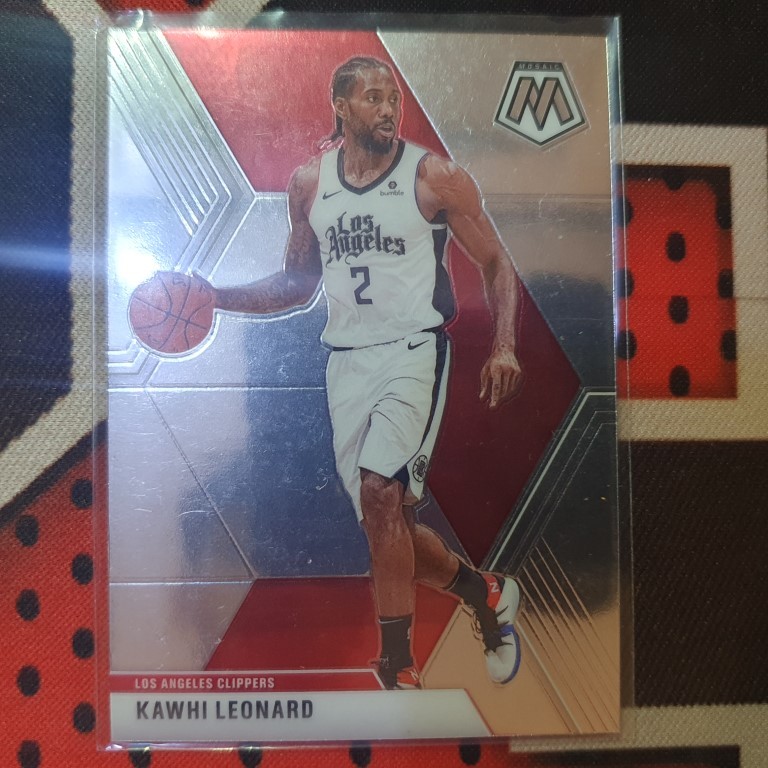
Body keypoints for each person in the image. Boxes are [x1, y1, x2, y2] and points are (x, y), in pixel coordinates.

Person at [212, 56, 523, 690]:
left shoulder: (433, 177)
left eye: (394, 100)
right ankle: (483, 592)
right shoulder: (309, 184)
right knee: (390, 528)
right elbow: (295, 286)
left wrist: (505, 346)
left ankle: (395, 663)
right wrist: (215, 297)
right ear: (342, 107)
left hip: (413, 352)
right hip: (347, 364)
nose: (388, 110)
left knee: (382, 492)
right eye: (373, 99)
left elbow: (496, 263)